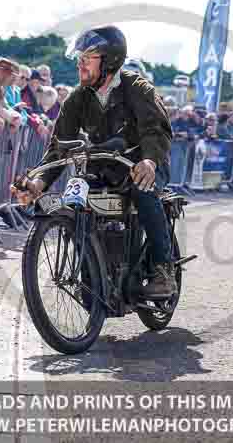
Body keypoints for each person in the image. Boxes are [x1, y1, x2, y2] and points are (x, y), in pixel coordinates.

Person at [14, 25, 176, 298]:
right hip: (102, 168)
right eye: (80, 57)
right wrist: (39, 182)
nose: (80, 63)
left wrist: (149, 161)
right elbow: (60, 146)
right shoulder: (79, 97)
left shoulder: (136, 88)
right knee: (77, 199)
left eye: (88, 57)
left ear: (110, 60)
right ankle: (94, 272)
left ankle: (163, 270)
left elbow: (155, 130)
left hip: (139, 166)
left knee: (142, 190)